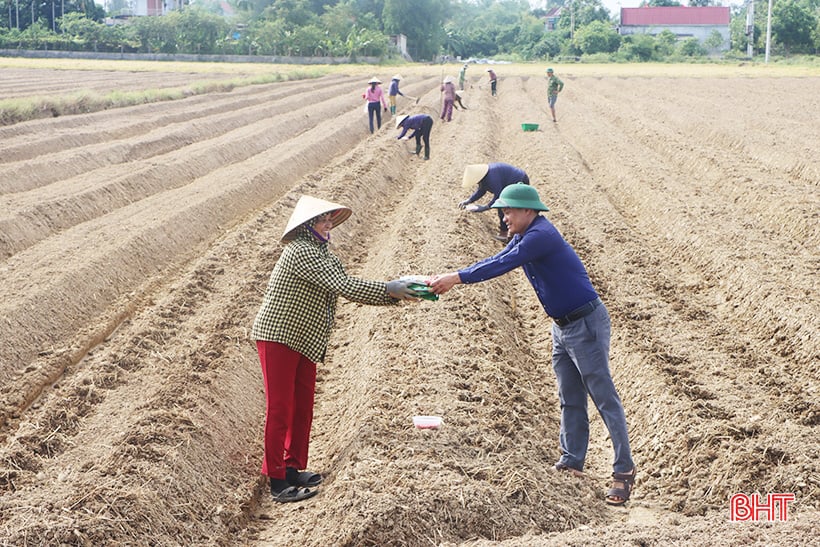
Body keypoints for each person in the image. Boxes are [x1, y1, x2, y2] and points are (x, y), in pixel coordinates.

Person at [429, 183, 636, 506]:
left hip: (586, 323)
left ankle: (623, 471)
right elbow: (503, 256)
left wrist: (456, 277)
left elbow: (501, 265)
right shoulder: (524, 236)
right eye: (502, 211)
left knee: (603, 396)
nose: (504, 216)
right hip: (562, 327)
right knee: (569, 396)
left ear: (528, 211)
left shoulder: (542, 235)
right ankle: (571, 462)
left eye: (509, 210)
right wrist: (457, 276)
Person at [251, 195, 421, 503]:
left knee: (302, 406)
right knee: (280, 410)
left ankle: (292, 467)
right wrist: (389, 290)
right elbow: (344, 286)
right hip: (278, 336)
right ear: (307, 225)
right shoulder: (300, 251)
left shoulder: (322, 251)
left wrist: (393, 292)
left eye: (330, 218)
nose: (328, 223)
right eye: (322, 219)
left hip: (302, 337)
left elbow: (341, 282)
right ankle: (276, 480)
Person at [458, 163, 530, 242]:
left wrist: (485, 207)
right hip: (511, 183)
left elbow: (498, 197)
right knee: (504, 207)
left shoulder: (491, 177)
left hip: (519, 181)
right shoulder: (485, 177)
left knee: (505, 207)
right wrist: (469, 200)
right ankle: (508, 233)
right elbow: (481, 190)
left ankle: (508, 234)